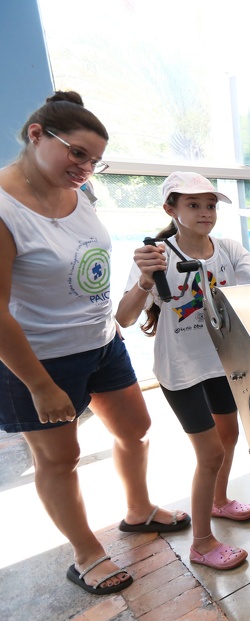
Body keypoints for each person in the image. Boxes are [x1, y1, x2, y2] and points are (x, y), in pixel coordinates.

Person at [0, 91, 190, 595]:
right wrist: (40, 386)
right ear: (37, 135)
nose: (85, 167)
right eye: (77, 153)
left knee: (137, 429)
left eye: (94, 161)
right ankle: (86, 555)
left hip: (101, 342)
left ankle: (138, 510)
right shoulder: (4, 207)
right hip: (38, 358)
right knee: (59, 460)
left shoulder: (76, 191)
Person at [116, 171, 250, 571]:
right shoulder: (157, 255)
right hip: (181, 371)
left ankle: (219, 502)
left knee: (229, 435)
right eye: (193, 205)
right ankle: (201, 542)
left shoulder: (230, 250)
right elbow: (125, 317)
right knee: (211, 452)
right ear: (171, 209)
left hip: (221, 362)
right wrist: (147, 280)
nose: (205, 212)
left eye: (211, 205)